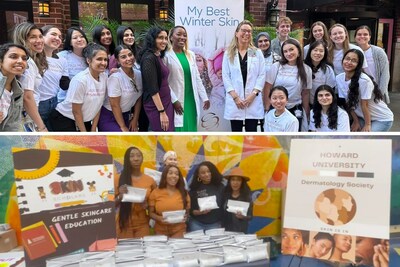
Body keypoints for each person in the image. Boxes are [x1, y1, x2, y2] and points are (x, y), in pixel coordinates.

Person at [50, 43, 108, 131]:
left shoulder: (104, 77)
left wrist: (93, 129)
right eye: (99, 59)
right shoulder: (80, 80)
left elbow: (98, 105)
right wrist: (84, 134)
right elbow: (76, 111)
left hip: (84, 120)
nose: (103, 63)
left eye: (105, 59)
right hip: (64, 119)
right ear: (88, 60)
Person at [222, 20, 265, 132]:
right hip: (236, 100)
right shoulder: (229, 53)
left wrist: (253, 94)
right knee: (236, 134)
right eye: (244, 30)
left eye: (249, 31)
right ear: (237, 33)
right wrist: (235, 97)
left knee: (252, 133)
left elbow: (261, 75)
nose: (247, 33)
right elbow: (226, 76)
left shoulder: (256, 52)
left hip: (252, 100)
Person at [165, 25, 210, 132]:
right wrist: (174, 100)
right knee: (180, 128)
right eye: (178, 34)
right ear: (171, 37)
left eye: (184, 35)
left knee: (191, 129)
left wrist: (204, 97)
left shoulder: (191, 55)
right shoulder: (166, 56)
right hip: (177, 100)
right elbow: (164, 82)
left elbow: (197, 78)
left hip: (191, 100)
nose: (182, 37)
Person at [336, 49, 393, 132]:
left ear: (359, 64)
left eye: (354, 61)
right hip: (362, 117)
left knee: (364, 140)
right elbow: (347, 103)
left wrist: (367, 124)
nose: (349, 62)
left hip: (381, 119)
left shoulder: (364, 80)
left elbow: (364, 105)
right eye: (347, 59)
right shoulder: (339, 78)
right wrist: (356, 121)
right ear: (343, 60)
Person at [264, 38, 312, 131]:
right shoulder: (276, 66)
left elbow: (305, 93)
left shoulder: (306, 70)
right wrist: (267, 106)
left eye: (291, 49)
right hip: (276, 107)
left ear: (298, 50)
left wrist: (306, 112)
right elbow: (267, 87)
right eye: (285, 51)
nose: (288, 53)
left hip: (295, 108)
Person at [98, 45, 142, 132]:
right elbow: (115, 105)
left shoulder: (139, 74)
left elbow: (139, 99)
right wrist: (122, 126)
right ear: (118, 61)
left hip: (126, 115)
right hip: (109, 116)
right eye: (123, 57)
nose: (128, 58)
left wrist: (135, 119)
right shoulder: (116, 77)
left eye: (130, 55)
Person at [12, 22, 48, 132]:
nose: (39, 41)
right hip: (24, 117)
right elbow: (27, 97)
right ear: (22, 39)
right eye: (33, 37)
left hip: (27, 115)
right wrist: (41, 127)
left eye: (40, 36)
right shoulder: (28, 62)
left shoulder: (31, 60)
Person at [115, 147, 157, 238]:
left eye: (138, 156)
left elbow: (156, 204)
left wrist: (147, 206)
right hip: (124, 223)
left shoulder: (150, 181)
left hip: (143, 224)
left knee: (144, 250)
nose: (136, 159)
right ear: (127, 159)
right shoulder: (117, 178)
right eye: (132, 156)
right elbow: (108, 205)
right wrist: (120, 197)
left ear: (142, 159)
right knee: (127, 251)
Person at [138, 26, 174, 132]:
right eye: (160, 38)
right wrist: (162, 112)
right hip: (157, 106)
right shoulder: (149, 58)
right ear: (152, 39)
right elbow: (153, 89)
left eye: (166, 38)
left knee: (169, 137)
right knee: (162, 138)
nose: (164, 41)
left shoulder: (157, 55)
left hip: (166, 102)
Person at [38, 25, 69, 131]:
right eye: (53, 34)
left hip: (54, 102)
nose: (57, 38)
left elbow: (64, 84)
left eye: (60, 37)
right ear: (42, 36)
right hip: (37, 105)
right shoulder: (33, 58)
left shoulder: (62, 60)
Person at [148, 165, 190, 238]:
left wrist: (186, 217)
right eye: (170, 173)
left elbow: (187, 211)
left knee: (178, 248)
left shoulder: (184, 193)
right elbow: (150, 213)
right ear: (165, 175)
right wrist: (159, 218)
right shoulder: (155, 192)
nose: (174, 176)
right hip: (160, 230)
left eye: (176, 174)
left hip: (179, 229)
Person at [355, 25, 391, 103]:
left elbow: (385, 74)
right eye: (359, 34)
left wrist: (379, 93)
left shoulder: (378, 52)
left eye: (365, 34)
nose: (362, 36)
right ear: (355, 37)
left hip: (376, 92)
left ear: (370, 37)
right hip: (360, 92)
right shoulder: (353, 51)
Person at [188, 161, 225, 231]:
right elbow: (190, 210)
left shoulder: (221, 187)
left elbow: (225, 206)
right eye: (203, 173)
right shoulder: (194, 188)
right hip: (196, 224)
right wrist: (198, 212)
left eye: (209, 171)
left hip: (215, 224)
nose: (207, 174)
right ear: (198, 175)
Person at [0, 43, 28, 131]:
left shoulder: (18, 89)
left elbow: (12, 125)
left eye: (24, 58)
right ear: (1, 61)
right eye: (13, 56)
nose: (20, 61)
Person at [57, 27, 88, 103]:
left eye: (82, 36)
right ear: (70, 42)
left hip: (87, 99)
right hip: (66, 100)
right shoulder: (62, 56)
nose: (79, 39)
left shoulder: (90, 56)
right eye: (75, 38)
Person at [304, 40, 336, 106]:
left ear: (325, 53)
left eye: (321, 51)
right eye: (315, 50)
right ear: (310, 51)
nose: (318, 53)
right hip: (304, 104)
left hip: (322, 104)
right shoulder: (303, 67)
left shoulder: (328, 69)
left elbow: (330, 90)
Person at [222, 167, 253, 233]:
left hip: (240, 230)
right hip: (225, 231)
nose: (235, 183)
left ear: (242, 182)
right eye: (233, 180)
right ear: (229, 181)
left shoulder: (246, 197)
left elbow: (250, 216)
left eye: (238, 180)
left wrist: (243, 217)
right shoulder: (225, 195)